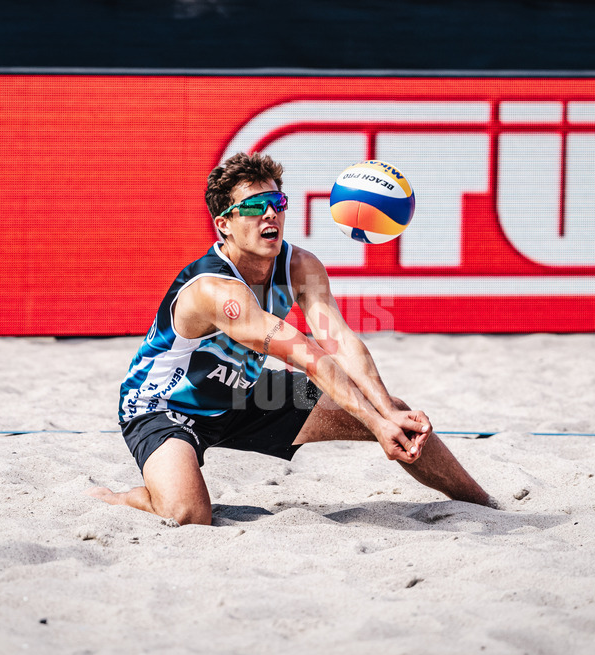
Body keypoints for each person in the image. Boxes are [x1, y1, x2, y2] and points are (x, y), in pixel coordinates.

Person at [87, 152, 496, 525]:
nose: (270, 214)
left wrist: (385, 411)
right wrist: (375, 422)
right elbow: (305, 353)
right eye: (252, 206)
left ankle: (484, 505)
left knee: (398, 414)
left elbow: (337, 339)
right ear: (223, 224)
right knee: (190, 515)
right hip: (167, 406)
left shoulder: (300, 265)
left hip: (242, 395)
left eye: (277, 203)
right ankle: (127, 499)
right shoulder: (213, 289)